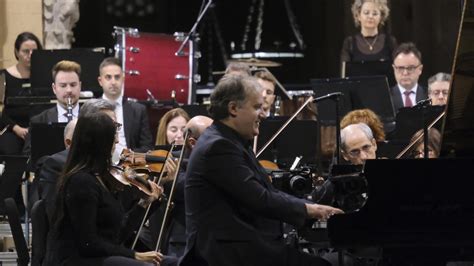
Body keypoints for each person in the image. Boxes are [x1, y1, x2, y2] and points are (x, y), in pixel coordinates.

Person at [180, 75, 342, 266]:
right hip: (226, 253)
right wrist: (310, 209)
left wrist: (307, 205)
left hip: (241, 245)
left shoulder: (230, 140)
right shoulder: (218, 146)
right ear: (233, 109)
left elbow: (268, 192)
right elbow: (259, 198)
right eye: (257, 107)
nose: (263, 115)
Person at [45, 111, 164, 266]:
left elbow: (117, 235)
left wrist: (144, 203)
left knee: (172, 262)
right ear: (100, 146)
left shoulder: (102, 178)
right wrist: (134, 255)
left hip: (100, 257)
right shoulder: (81, 182)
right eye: (113, 144)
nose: (116, 149)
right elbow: (88, 244)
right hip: (77, 260)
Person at [36, 99, 116, 222]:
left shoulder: (106, 166)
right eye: (108, 127)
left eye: (116, 127)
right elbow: (55, 216)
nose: (116, 138)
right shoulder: (56, 165)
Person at [162, 115, 213, 259]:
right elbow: (190, 190)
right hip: (182, 241)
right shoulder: (174, 162)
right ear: (192, 142)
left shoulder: (221, 161)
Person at [98, 57, 153, 161]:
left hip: (130, 165)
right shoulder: (91, 109)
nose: (113, 82)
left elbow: (147, 147)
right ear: (100, 81)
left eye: (117, 77)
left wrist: (130, 155)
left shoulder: (138, 110)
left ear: (123, 79)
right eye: (108, 77)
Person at [23, 60, 82, 155]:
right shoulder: (39, 120)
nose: (69, 90)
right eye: (63, 85)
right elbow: (29, 155)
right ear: (54, 88)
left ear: (80, 86)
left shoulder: (92, 118)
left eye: (73, 85)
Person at [0, 32, 43, 155]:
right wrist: (16, 128)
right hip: (11, 128)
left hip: (38, 128)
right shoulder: (3, 76)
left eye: (34, 51)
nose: (30, 55)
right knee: (7, 150)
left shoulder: (44, 76)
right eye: (25, 51)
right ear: (17, 52)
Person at [390, 42, 428, 112]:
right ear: (394, 69)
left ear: (420, 69)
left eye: (410, 68)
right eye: (400, 68)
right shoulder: (385, 98)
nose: (405, 73)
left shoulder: (430, 95)